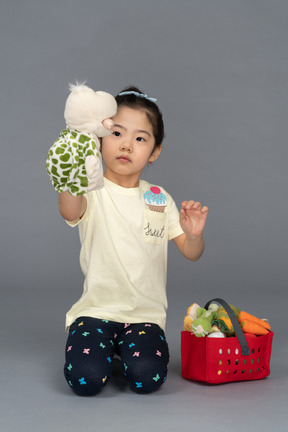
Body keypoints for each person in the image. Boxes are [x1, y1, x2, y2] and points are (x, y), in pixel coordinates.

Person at [58, 87, 209, 396]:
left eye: (140, 138)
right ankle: (102, 349)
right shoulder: (90, 188)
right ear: (99, 138)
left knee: (146, 379)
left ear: (154, 151)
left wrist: (194, 235)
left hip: (144, 316)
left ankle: (126, 350)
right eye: (116, 133)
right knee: (85, 380)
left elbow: (192, 253)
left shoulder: (159, 199)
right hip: (95, 312)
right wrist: (70, 173)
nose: (126, 144)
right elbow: (69, 209)